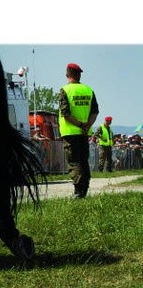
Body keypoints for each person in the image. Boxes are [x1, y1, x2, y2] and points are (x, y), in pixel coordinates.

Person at [57, 62, 99, 198]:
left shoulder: (65, 90)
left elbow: (66, 114)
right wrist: (87, 126)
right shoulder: (88, 90)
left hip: (70, 132)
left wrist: (80, 125)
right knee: (83, 161)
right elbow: (95, 112)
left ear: (67, 74)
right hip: (84, 134)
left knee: (74, 162)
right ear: (79, 74)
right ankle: (84, 190)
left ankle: (78, 192)